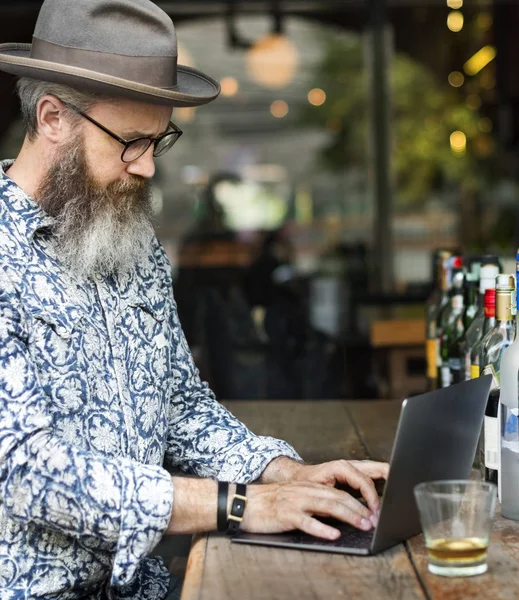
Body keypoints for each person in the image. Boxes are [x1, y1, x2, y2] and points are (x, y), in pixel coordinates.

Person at [0, 0, 388, 598]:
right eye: (131, 141)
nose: (149, 166)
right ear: (52, 116)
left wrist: (283, 471)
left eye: (160, 140)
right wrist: (240, 505)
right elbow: (30, 472)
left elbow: (181, 406)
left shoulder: (130, 241)